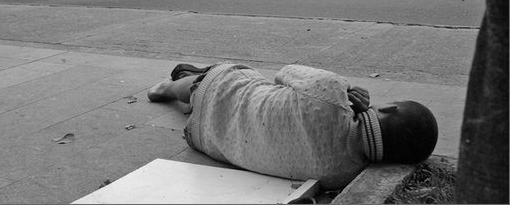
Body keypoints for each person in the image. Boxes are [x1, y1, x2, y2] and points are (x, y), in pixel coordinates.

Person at [148, 62, 438, 190]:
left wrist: (344, 88)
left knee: (235, 75)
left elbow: (284, 74)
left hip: (217, 94)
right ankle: (190, 87)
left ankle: (170, 87)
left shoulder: (331, 91)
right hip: (204, 139)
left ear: (388, 107)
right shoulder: (343, 174)